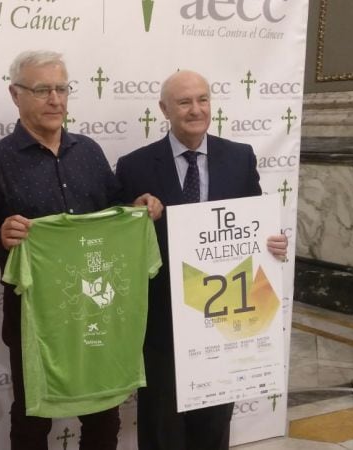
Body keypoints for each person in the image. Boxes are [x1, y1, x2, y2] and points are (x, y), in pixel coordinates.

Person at [0, 50, 162, 450]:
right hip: (33, 317)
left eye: (62, 88)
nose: (55, 100)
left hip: (97, 308)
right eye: (42, 90)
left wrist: (137, 211)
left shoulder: (89, 152)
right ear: (15, 95)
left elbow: (113, 212)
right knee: (33, 417)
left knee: (104, 414)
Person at [115, 70, 288, 450]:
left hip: (225, 316)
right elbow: (116, 238)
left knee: (214, 424)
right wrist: (133, 211)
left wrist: (274, 243)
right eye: (184, 102)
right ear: (164, 109)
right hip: (162, 320)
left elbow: (254, 225)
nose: (196, 110)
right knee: (162, 425)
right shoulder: (134, 166)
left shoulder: (239, 157)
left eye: (203, 99)